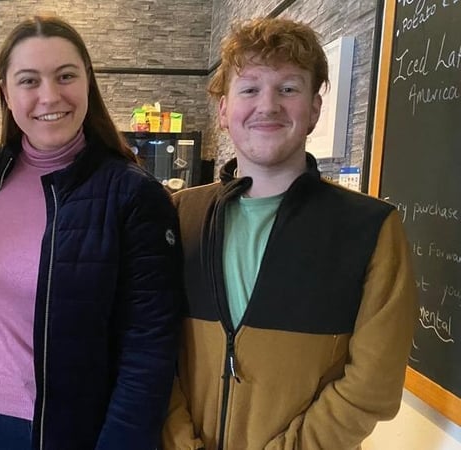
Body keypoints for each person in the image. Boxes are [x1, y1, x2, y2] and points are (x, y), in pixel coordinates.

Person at [162, 17, 418, 450]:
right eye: (249, 89)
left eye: (288, 88)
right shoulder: (179, 215)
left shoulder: (370, 228)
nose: (268, 105)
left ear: (314, 108)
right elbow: (151, 345)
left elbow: (372, 385)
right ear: (223, 110)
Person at [0, 15, 183, 450]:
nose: (49, 96)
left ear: (88, 81)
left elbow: (149, 347)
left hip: (71, 430)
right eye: (29, 80)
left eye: (65, 76)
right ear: (5, 92)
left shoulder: (131, 194)